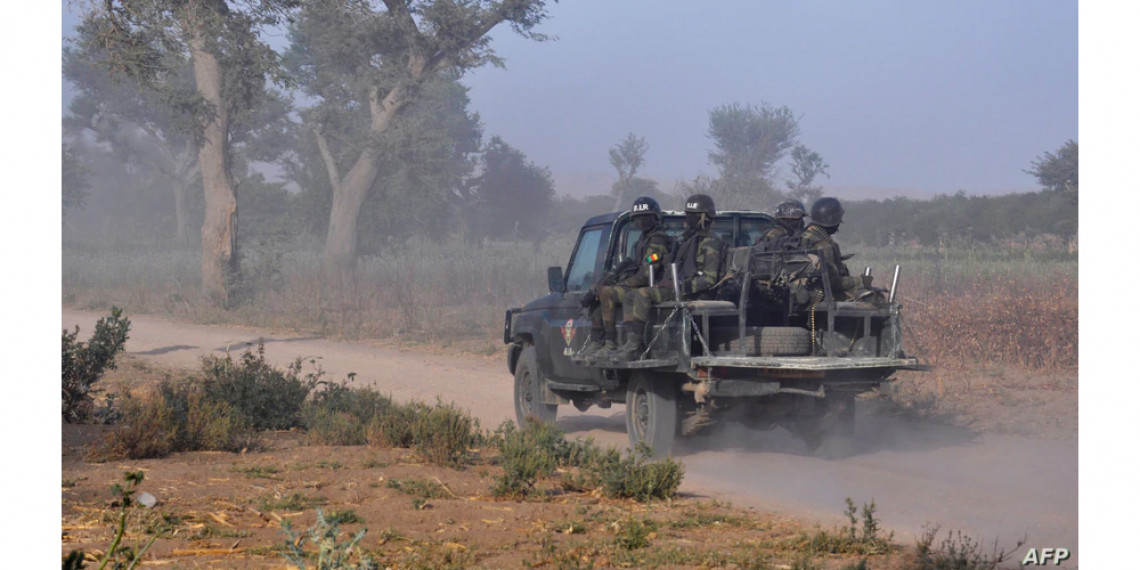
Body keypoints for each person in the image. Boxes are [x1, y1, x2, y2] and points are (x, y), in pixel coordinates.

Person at [608, 194, 725, 359]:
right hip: (673, 286)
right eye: (688, 214)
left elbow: (709, 279)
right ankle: (632, 343)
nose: (688, 219)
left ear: (704, 217)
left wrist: (680, 285)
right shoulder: (685, 240)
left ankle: (635, 347)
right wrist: (652, 262)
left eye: (693, 215)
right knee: (630, 295)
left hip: (688, 291)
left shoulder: (710, 242)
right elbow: (657, 259)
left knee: (642, 294)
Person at [581, 197, 674, 357]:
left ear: (655, 218)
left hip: (651, 285)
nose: (641, 221)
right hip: (640, 283)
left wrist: (624, 284)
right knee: (599, 295)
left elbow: (646, 274)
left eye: (645, 217)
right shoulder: (643, 240)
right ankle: (598, 341)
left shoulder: (657, 240)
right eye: (638, 218)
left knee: (607, 292)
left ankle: (611, 343)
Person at [800, 197, 860, 300]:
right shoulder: (823, 245)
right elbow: (834, 283)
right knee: (874, 297)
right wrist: (858, 281)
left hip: (801, 294)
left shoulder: (801, 236)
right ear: (832, 220)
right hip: (821, 297)